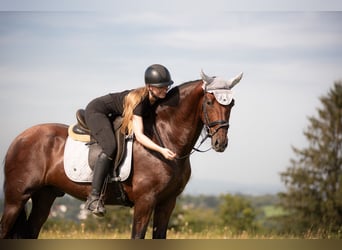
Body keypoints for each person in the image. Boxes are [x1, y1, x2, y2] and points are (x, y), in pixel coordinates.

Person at [84, 64, 177, 216]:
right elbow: (139, 136)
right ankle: (93, 197)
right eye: (161, 87)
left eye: (167, 86)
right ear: (149, 87)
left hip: (111, 113)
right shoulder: (140, 101)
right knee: (110, 147)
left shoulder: (155, 97)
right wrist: (161, 150)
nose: (165, 89)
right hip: (96, 111)